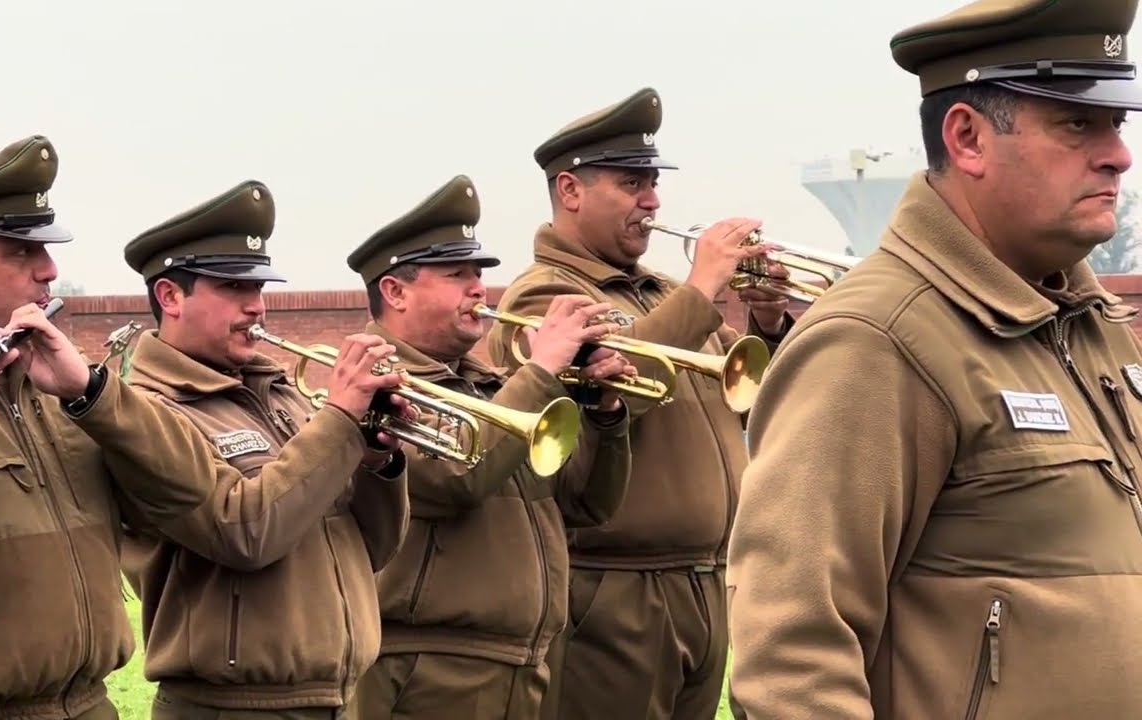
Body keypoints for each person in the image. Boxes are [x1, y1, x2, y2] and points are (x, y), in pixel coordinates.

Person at [725, 0, 1142, 717]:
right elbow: (792, 659)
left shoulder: (1091, 324)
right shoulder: (878, 339)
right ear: (968, 138)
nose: (1118, 153)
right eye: (1078, 123)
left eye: (1116, 123)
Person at [0, 135, 222, 718]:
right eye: (22, 252)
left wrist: (94, 395)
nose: (50, 270)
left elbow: (195, 493)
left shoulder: (59, 385)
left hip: (90, 705)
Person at [486, 87, 793, 720]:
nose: (651, 202)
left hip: (704, 585)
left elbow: (754, 398)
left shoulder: (663, 294)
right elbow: (620, 378)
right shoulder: (546, 295)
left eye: (651, 184)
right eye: (631, 184)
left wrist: (766, 322)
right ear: (570, 191)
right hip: (615, 593)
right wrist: (705, 286)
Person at [115, 179, 411, 720]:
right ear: (170, 296)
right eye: (233, 288)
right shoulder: (150, 410)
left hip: (332, 698)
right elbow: (247, 532)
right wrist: (340, 419)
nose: (257, 307)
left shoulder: (286, 396)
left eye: (259, 288)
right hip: (232, 706)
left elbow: (374, 548)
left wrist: (377, 459)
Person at [345, 174, 636, 720]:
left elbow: (586, 506)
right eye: (457, 275)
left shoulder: (500, 388)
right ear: (395, 291)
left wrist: (604, 414)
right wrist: (543, 368)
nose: (479, 289)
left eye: (478, 274)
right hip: (427, 670)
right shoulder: (376, 384)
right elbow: (454, 480)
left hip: (526, 665)